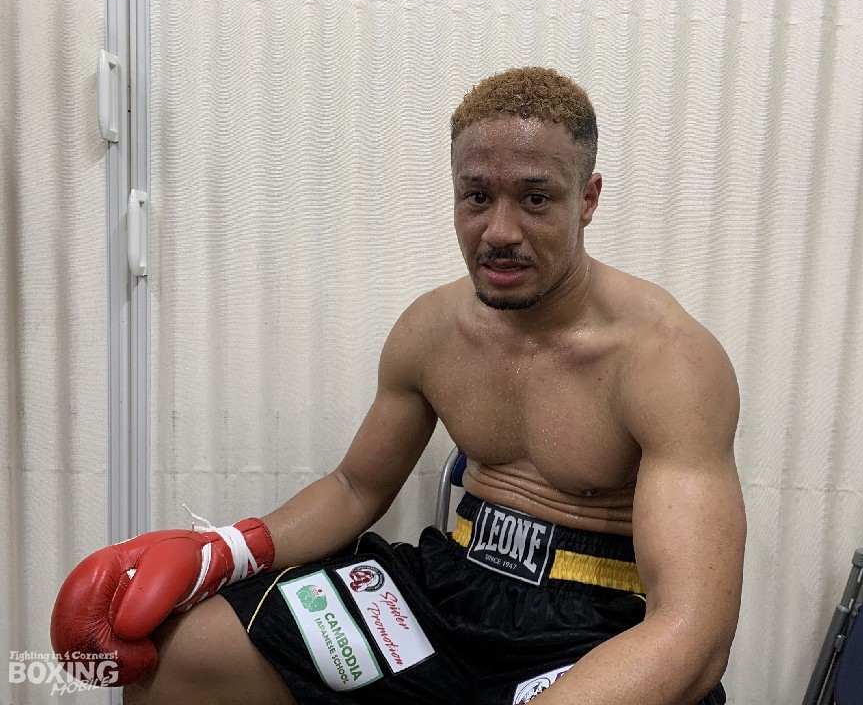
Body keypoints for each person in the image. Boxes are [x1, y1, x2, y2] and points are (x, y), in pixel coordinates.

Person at [51, 66, 745, 705]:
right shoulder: (433, 330)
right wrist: (229, 552)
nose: (499, 231)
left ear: (587, 199)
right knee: (180, 656)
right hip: (446, 595)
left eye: (536, 199)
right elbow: (355, 487)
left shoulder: (667, 359)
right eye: (477, 196)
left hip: (594, 624)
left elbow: (694, 632)